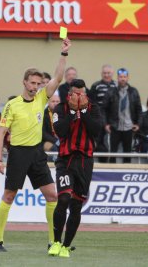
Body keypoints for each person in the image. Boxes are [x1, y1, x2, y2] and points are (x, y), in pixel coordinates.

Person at [0, 39, 71, 252]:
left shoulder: (41, 99)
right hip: (18, 154)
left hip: (37, 154)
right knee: (9, 196)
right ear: (24, 82)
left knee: (52, 195)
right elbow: (0, 133)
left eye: (39, 83)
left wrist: (63, 54)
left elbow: (58, 78)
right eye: (33, 83)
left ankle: (52, 241)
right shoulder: (12, 105)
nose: (36, 87)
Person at [48, 79, 101, 258]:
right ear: (69, 94)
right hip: (65, 160)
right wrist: (72, 111)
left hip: (85, 162)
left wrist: (83, 111)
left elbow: (96, 130)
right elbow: (60, 131)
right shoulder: (60, 109)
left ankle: (66, 245)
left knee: (76, 205)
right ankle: (55, 242)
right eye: (76, 94)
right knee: (63, 198)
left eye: (82, 94)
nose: (80, 97)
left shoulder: (94, 108)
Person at [102, 68, 142, 163]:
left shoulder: (134, 92)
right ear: (117, 78)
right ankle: (112, 174)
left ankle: (126, 174)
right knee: (112, 153)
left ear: (128, 78)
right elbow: (103, 109)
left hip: (129, 128)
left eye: (124, 77)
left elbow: (139, 110)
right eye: (120, 77)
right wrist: (105, 124)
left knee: (127, 154)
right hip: (115, 127)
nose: (122, 79)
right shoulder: (111, 91)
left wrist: (138, 124)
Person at [89, 64, 117, 162]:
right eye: (104, 73)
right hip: (98, 118)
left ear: (112, 74)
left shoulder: (116, 85)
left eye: (108, 73)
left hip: (113, 119)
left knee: (112, 143)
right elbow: (91, 102)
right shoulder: (96, 86)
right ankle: (100, 163)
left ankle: (112, 163)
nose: (106, 75)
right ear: (101, 74)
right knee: (98, 142)